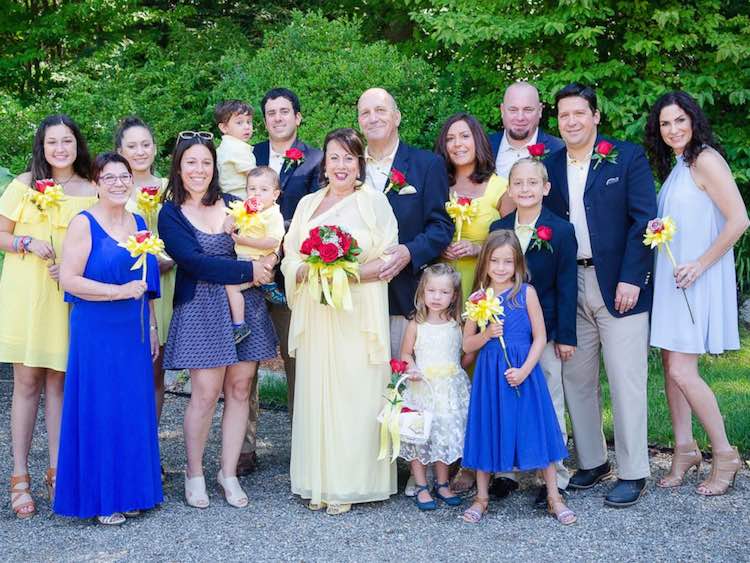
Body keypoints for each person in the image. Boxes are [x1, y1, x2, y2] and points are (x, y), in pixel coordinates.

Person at [544, 83, 657, 507]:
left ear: (595, 115)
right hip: (570, 283)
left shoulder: (626, 157)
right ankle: (592, 460)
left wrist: (633, 277)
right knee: (576, 377)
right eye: (564, 115)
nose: (571, 121)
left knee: (627, 379)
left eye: (579, 113)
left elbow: (644, 220)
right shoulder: (550, 165)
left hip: (619, 284)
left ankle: (633, 470)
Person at [281, 128, 398, 515]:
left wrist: (342, 273)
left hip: (358, 312)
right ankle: (319, 481)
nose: (341, 165)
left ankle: (352, 484)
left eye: (349, 157)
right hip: (317, 311)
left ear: (360, 163)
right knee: (318, 392)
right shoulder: (307, 204)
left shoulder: (375, 203)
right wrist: (309, 270)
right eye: (334, 157)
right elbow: (290, 256)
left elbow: (388, 258)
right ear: (325, 163)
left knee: (355, 393)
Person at [158, 132, 277, 509]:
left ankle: (228, 473)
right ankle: (194, 473)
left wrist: (269, 262)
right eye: (191, 162)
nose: (199, 170)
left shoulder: (235, 204)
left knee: (240, 390)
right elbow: (194, 262)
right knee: (206, 394)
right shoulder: (171, 213)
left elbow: (269, 237)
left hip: (245, 305)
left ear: (215, 167)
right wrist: (247, 269)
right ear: (179, 167)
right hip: (200, 308)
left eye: (206, 162)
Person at [645, 91, 748, 495]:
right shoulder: (679, 164)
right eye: (665, 123)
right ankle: (685, 448)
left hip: (697, 277)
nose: (673, 129)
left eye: (679, 120)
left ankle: (724, 452)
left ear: (693, 120)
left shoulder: (705, 159)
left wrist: (701, 264)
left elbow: (739, 219)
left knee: (682, 370)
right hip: (675, 280)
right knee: (671, 365)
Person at [54, 152, 162, 525]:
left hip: (133, 330)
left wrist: (151, 326)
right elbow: (69, 280)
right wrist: (117, 292)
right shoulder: (83, 224)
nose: (118, 183)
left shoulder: (138, 221)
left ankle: (131, 492)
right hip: (96, 330)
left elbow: (146, 284)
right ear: (96, 183)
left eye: (124, 176)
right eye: (109, 177)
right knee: (101, 408)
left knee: (131, 408)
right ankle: (102, 499)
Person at [0, 114, 96, 519]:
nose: (60, 149)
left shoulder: (91, 188)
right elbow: (1, 234)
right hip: (27, 292)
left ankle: (58, 470)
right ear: (41, 146)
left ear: (77, 145)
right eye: (52, 142)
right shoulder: (23, 184)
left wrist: (75, 268)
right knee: (26, 382)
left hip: (66, 296)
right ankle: (19, 475)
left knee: (59, 381)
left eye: (67, 141)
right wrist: (26, 241)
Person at [460, 231, 575, 525]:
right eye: (494, 261)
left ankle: (554, 497)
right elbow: (467, 344)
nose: (500, 267)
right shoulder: (478, 299)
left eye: (507, 261)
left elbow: (540, 337)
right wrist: (486, 335)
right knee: (489, 428)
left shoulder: (526, 293)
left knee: (537, 427)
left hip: (524, 371)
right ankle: (481, 497)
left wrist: (524, 370)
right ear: (485, 263)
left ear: (517, 264)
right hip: (491, 374)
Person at [238, 88, 323, 475]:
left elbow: (317, 214)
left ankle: (303, 447)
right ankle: (244, 446)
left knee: (297, 361)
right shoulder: (248, 155)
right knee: (245, 364)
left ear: (298, 117)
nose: (277, 118)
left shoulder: (316, 159)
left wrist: (276, 249)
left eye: (284, 111)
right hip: (247, 275)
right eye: (270, 112)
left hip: (292, 276)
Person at [490, 158, 578, 507]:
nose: (525, 189)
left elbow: (567, 286)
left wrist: (566, 335)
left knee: (549, 400)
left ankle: (555, 476)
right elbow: (489, 280)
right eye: (518, 183)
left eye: (532, 182)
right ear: (509, 190)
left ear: (546, 188)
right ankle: (506, 472)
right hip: (505, 333)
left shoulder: (561, 230)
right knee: (506, 398)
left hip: (546, 331)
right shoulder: (499, 227)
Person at [357, 87, 454, 357]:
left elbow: (441, 226)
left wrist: (410, 251)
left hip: (404, 295)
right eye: (365, 113)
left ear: (397, 117)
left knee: (402, 376)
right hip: (356, 297)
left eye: (380, 110)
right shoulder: (348, 166)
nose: (373, 118)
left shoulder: (428, 164)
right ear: (359, 123)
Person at [116, 116, 176, 436]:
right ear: (120, 151)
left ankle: (149, 444)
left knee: (155, 371)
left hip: (165, 285)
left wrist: (169, 258)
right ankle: (124, 441)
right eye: (132, 146)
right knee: (127, 370)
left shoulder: (170, 186)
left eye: (146, 144)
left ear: (154, 148)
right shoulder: (114, 187)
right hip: (129, 286)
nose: (140, 152)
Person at [398, 264, 470, 511]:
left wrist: (457, 370)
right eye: (431, 291)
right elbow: (405, 354)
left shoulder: (457, 324)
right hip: (422, 388)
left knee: (444, 436)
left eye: (444, 292)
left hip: (449, 391)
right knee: (419, 436)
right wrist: (411, 369)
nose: (437, 297)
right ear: (422, 292)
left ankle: (442, 483)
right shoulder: (416, 324)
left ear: (454, 295)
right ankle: (421, 485)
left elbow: (466, 352)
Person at [435, 112, 513, 303]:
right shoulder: (436, 184)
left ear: (478, 140)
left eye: (464, 136)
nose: (457, 144)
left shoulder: (501, 187)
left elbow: (512, 242)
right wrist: (437, 247)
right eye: (450, 139)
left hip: (483, 283)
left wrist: (478, 249)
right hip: (439, 288)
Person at [224, 166, 285, 343]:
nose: (257, 194)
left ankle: (239, 324)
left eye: (264, 190)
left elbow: (273, 242)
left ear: (275, 194)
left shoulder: (273, 215)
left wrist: (245, 241)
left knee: (232, 286)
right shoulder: (248, 208)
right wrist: (230, 221)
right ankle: (267, 285)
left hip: (257, 261)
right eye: (252, 189)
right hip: (244, 260)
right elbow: (234, 215)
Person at [489, 82, 564, 179]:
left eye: (528, 110)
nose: (520, 117)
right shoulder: (483, 147)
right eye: (513, 110)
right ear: (502, 110)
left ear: (540, 110)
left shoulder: (559, 150)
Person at [215, 100, 256, 199]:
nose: (247, 127)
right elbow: (255, 176)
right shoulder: (237, 148)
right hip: (242, 199)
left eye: (249, 122)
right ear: (224, 127)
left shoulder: (224, 147)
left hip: (227, 198)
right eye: (239, 123)